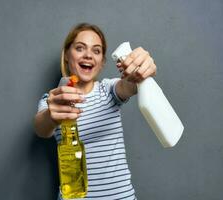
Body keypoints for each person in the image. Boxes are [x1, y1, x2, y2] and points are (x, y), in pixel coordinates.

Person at [34, 23, 157, 200]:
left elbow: (129, 85)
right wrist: (52, 115)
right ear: (67, 55)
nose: (89, 55)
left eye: (96, 51)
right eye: (80, 48)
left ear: (101, 63)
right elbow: (41, 128)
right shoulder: (52, 99)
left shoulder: (108, 90)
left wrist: (141, 71)